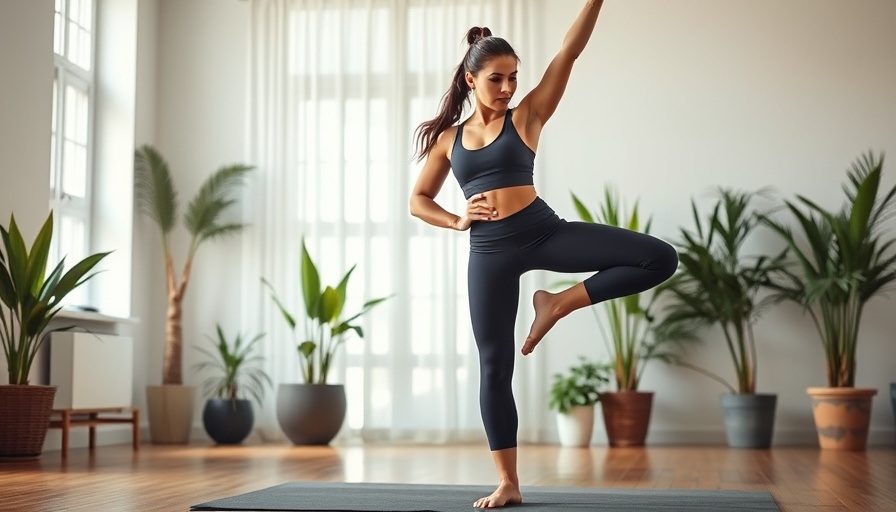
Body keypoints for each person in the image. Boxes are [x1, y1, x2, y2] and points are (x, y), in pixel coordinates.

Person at [409, 1, 677, 508]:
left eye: (513, 77)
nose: (507, 87)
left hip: (542, 232)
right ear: (470, 80)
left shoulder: (528, 115)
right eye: (496, 79)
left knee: (660, 258)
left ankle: (557, 303)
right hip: (489, 251)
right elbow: (417, 200)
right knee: (494, 366)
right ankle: (508, 482)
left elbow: (568, 52)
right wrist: (457, 220)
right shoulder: (449, 141)